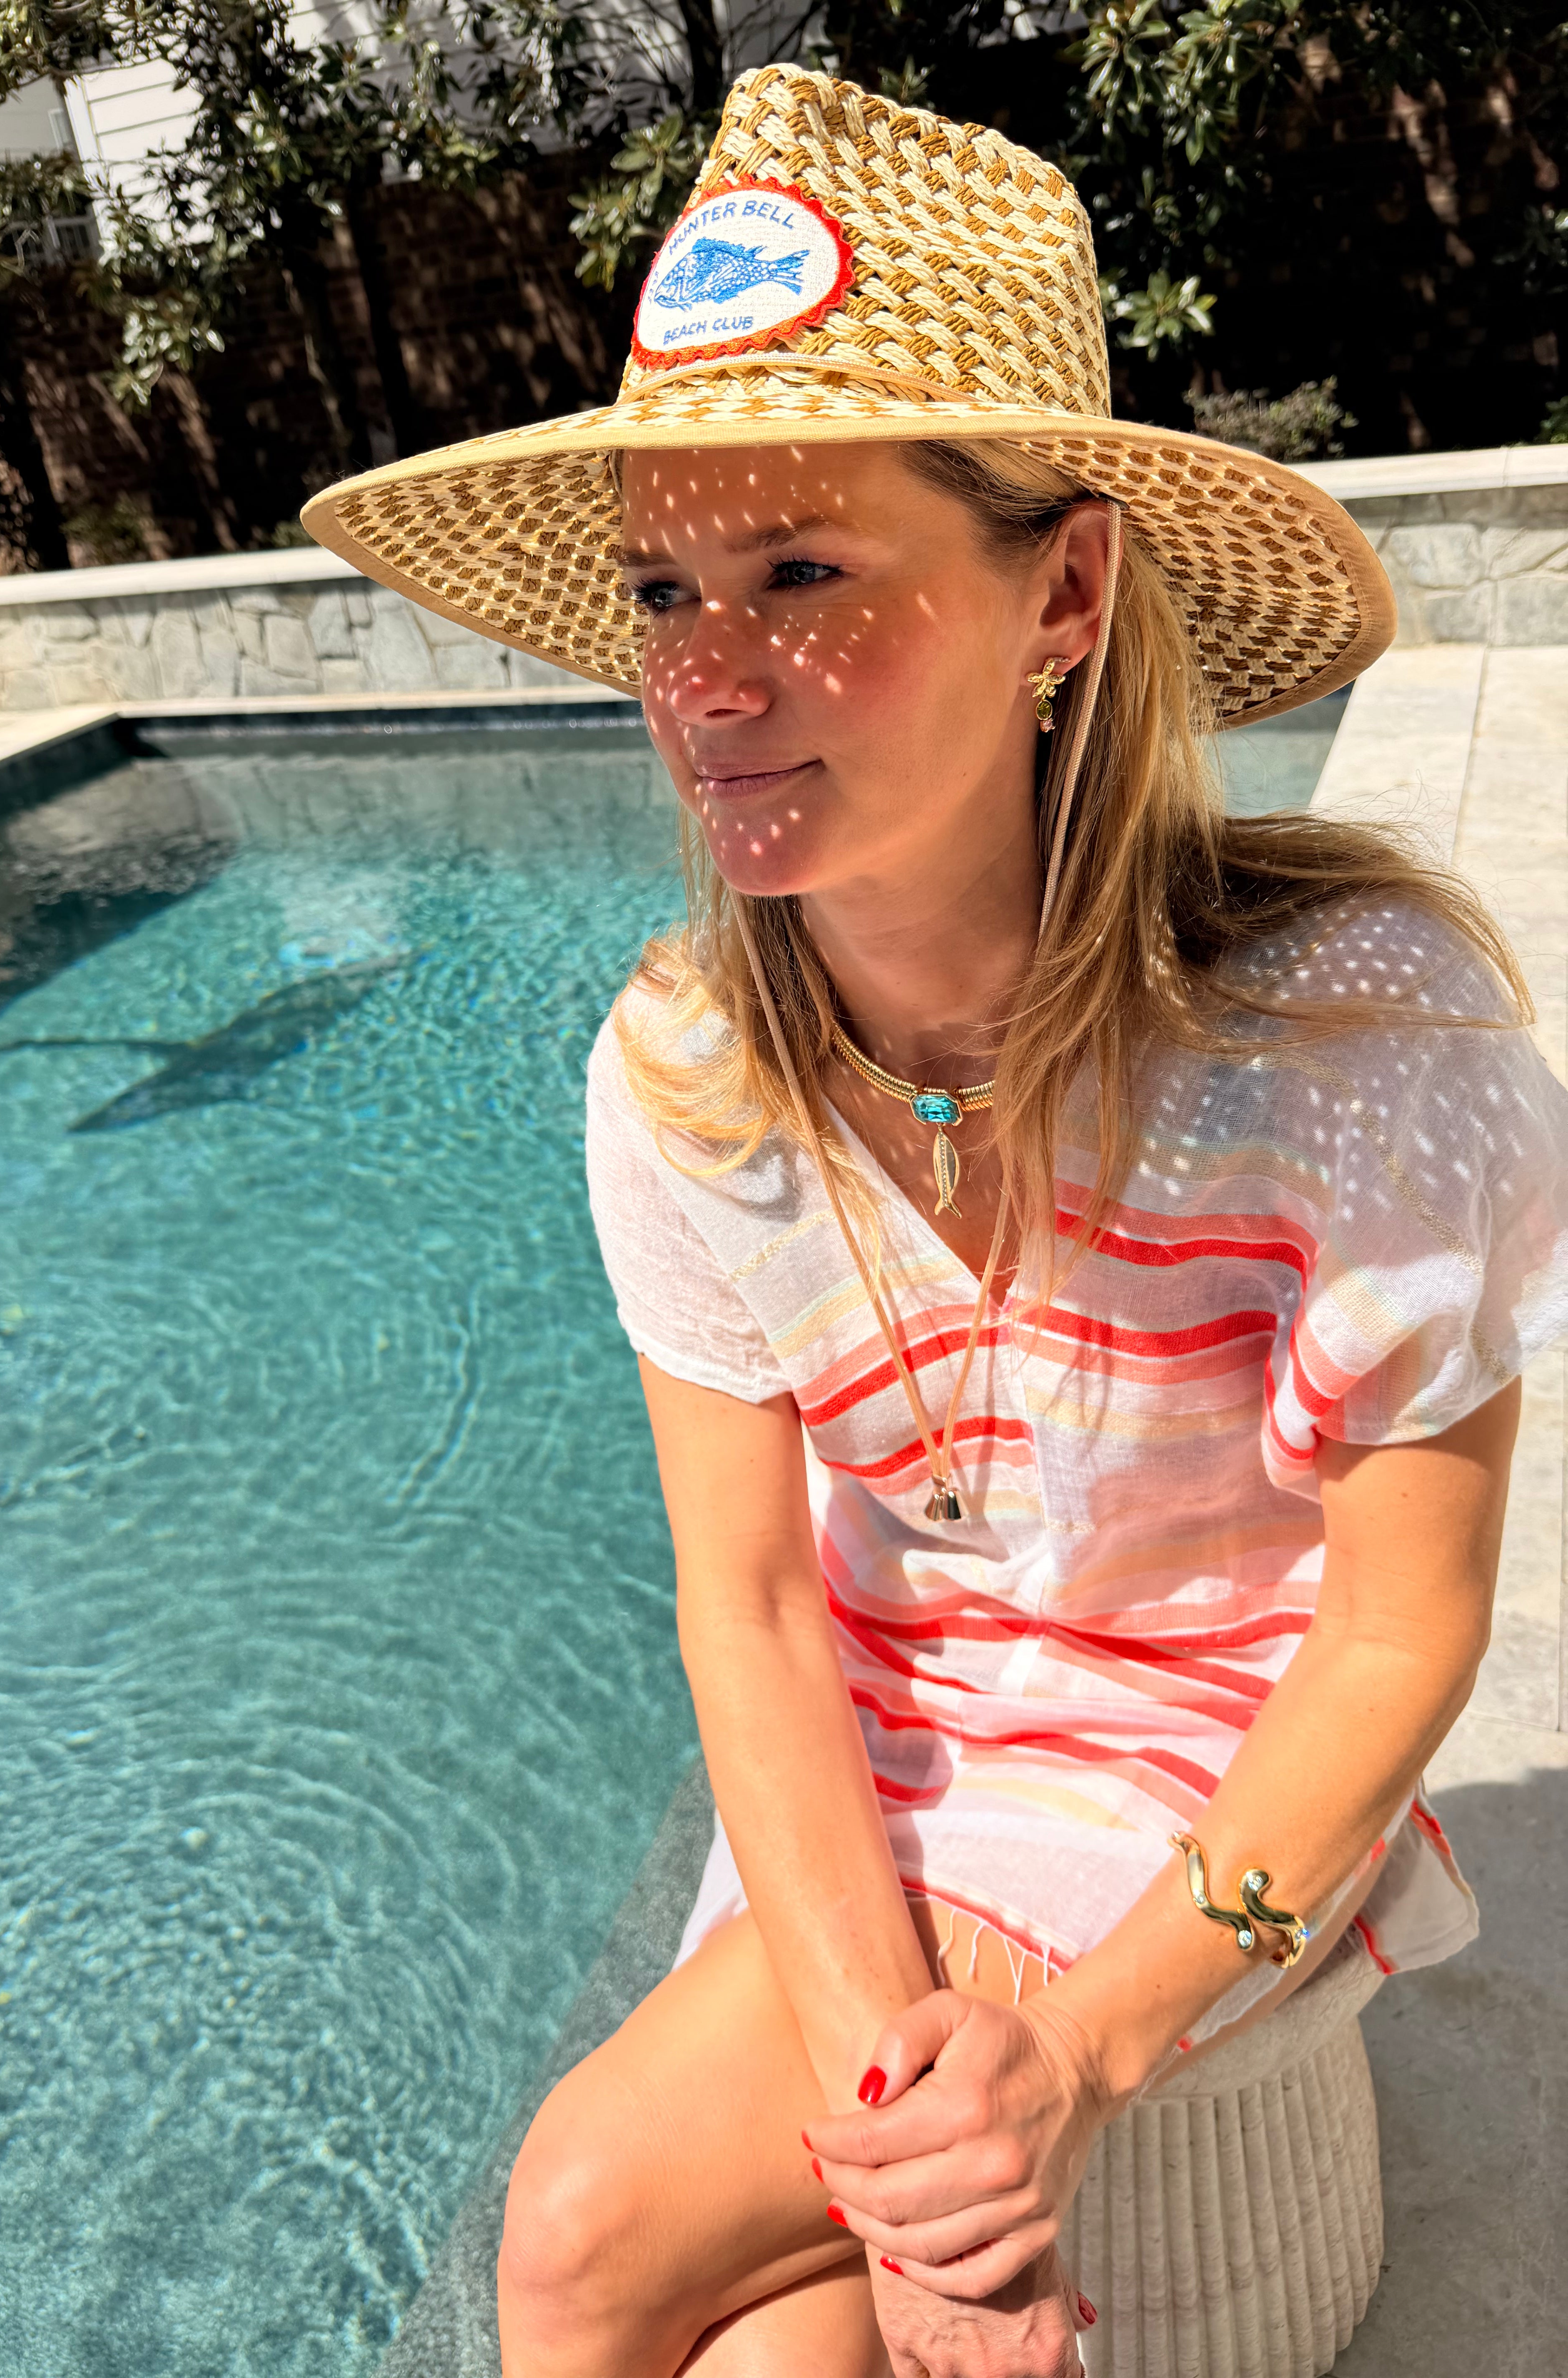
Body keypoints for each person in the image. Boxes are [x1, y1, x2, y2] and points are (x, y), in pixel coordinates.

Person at [304, 65, 1568, 2378]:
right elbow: (755, 1605)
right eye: (667, 590)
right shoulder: (692, 1076)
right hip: (898, 1739)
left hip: (1216, 1752)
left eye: (803, 573)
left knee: (580, 2232)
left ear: (1064, 590)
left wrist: (1075, 2055)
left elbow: (1400, 1635)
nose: (703, 679)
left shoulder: (1361, 1048)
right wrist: (917, 2162)